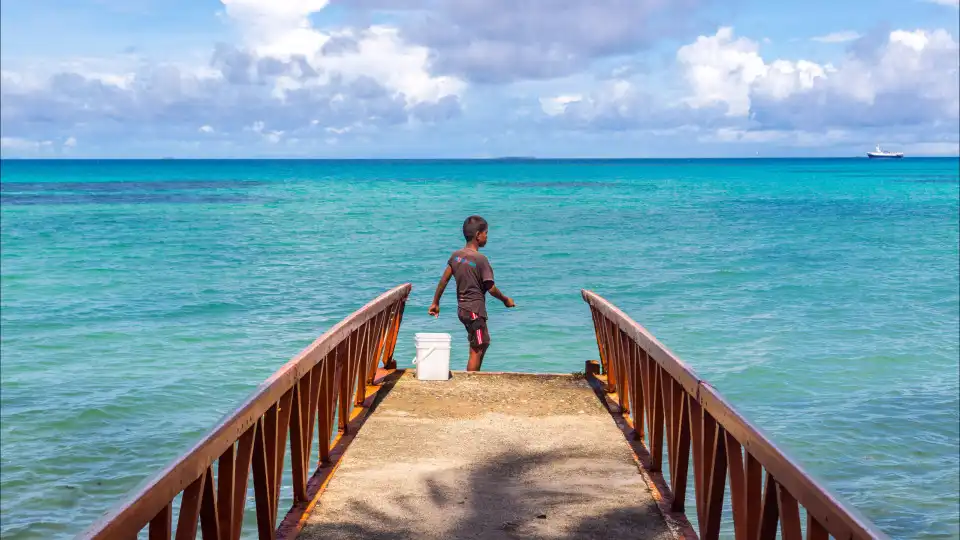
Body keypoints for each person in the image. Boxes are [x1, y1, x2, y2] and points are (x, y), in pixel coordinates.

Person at [428, 215, 515, 371]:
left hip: (463, 309)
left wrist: (435, 302)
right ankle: (471, 380)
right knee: (478, 346)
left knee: (482, 342)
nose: (486, 236)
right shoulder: (481, 259)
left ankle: (474, 376)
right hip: (474, 309)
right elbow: (491, 288)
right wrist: (505, 300)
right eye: (486, 233)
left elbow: (444, 281)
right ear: (478, 235)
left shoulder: (456, 256)